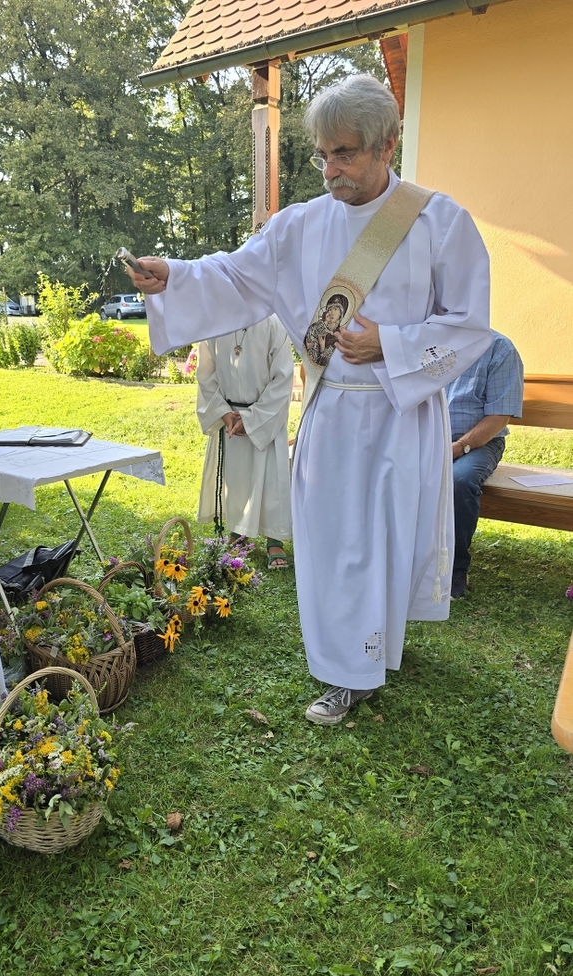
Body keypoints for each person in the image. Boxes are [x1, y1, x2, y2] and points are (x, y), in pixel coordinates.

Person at [127, 75, 492, 725]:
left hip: (401, 415)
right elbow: (235, 275)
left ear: (388, 144)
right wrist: (173, 276)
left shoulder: (439, 222)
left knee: (382, 540)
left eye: (344, 153)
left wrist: (392, 344)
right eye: (323, 155)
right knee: (335, 544)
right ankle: (347, 671)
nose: (329, 170)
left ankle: (374, 649)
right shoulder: (300, 225)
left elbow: (470, 325)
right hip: (333, 410)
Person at [195, 316, 293, 568]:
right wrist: (223, 412)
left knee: (269, 478)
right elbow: (205, 374)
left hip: (265, 416)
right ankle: (238, 531)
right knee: (235, 478)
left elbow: (282, 378)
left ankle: (274, 538)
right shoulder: (215, 322)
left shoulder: (274, 324)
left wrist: (252, 419)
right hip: (229, 414)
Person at [445, 331, 524, 598]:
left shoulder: (500, 349)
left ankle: (455, 569)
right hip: (429, 438)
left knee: (458, 480)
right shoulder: (429, 341)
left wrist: (459, 447)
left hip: (479, 443)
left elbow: (499, 417)